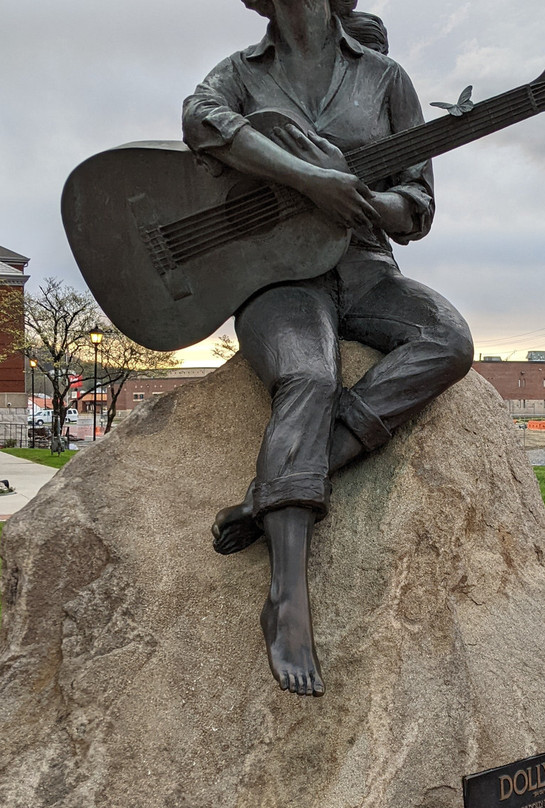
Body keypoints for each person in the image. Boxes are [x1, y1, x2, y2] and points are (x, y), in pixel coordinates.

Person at [181, 0, 474, 697]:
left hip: (367, 267)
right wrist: (307, 178)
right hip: (276, 276)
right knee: (307, 374)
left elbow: (419, 208)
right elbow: (201, 120)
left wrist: (367, 204)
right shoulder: (239, 76)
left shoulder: (385, 78)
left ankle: (272, 493)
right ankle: (287, 599)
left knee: (448, 340)